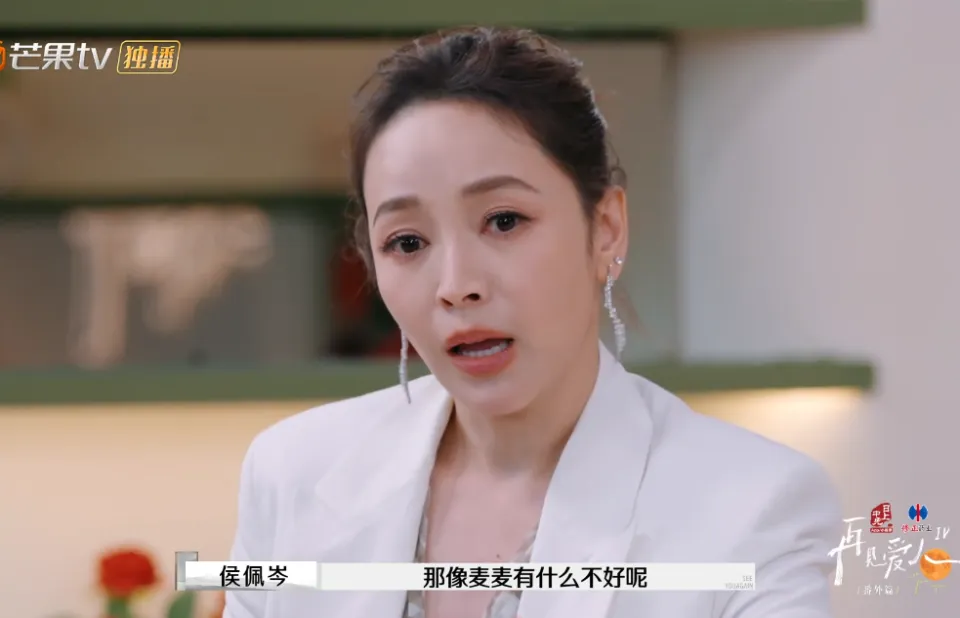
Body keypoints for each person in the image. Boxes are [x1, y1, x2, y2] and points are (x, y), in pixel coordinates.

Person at [226, 27, 842, 618]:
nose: (456, 285)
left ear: (606, 229)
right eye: (408, 242)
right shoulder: (291, 474)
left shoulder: (754, 506)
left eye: (504, 221)